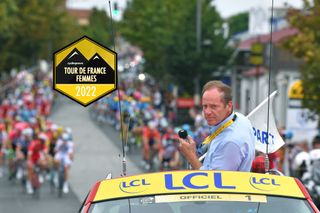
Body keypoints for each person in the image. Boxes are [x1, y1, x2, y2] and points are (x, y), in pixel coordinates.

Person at [178, 80, 255, 171]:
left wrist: (190, 156)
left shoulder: (230, 142)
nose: (207, 112)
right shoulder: (239, 118)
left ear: (229, 106)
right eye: (205, 106)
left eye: (213, 106)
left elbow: (211, 182)